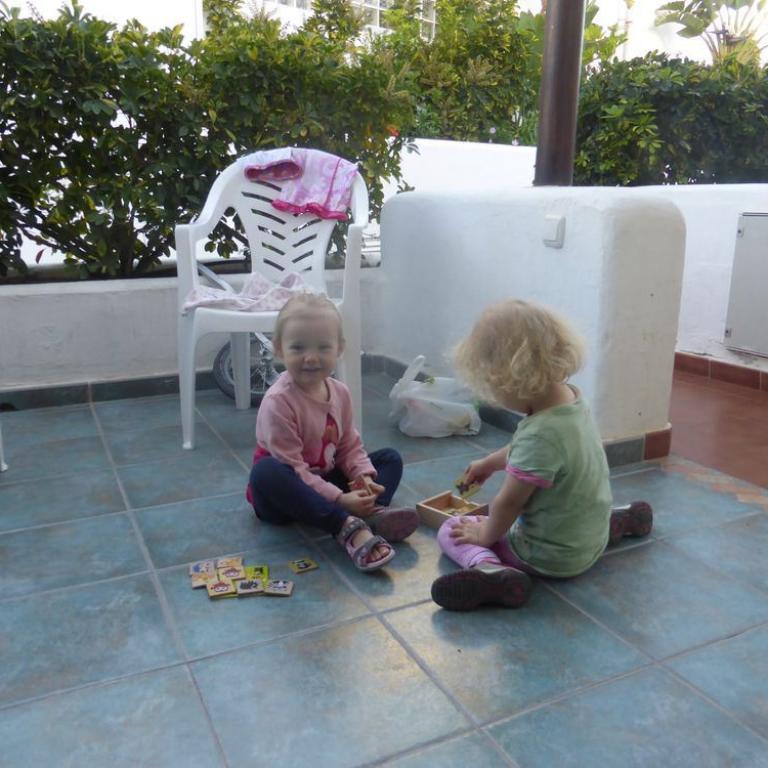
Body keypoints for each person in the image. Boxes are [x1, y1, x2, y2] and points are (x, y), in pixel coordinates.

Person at [430, 299, 653, 610]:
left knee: (452, 530)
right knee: (577, 507)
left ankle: (489, 570)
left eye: (494, 389)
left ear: (510, 378)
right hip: (590, 537)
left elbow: (510, 502)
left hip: (548, 556)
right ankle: (613, 524)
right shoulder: (571, 402)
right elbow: (530, 451)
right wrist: (489, 464)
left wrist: (484, 534)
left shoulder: (540, 435)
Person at [247, 293, 419, 572]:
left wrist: (363, 479)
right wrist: (339, 499)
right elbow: (295, 470)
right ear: (279, 348)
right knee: (265, 471)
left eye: (323, 347)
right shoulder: (278, 402)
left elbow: (349, 445)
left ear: (339, 348)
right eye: (298, 347)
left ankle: (370, 511)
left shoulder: (340, 392)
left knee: (389, 459)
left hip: (323, 479)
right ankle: (345, 525)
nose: (311, 357)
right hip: (284, 497)